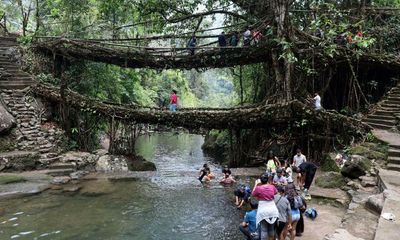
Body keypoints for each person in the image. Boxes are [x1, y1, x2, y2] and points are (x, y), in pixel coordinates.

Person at [252, 173, 279, 240]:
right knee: (271, 229)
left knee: (264, 230)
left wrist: (256, 184)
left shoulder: (258, 188)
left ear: (260, 180)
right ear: (267, 179)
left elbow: (253, 194)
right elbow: (275, 192)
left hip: (263, 211)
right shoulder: (272, 187)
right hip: (273, 210)